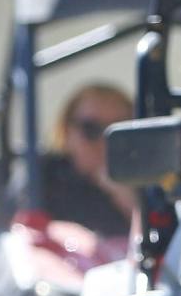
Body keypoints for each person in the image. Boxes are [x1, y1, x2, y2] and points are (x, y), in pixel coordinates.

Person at [37, 83, 136, 239]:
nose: (105, 142)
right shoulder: (40, 177)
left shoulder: (151, 178)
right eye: (91, 129)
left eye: (120, 130)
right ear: (66, 132)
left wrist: (127, 198)